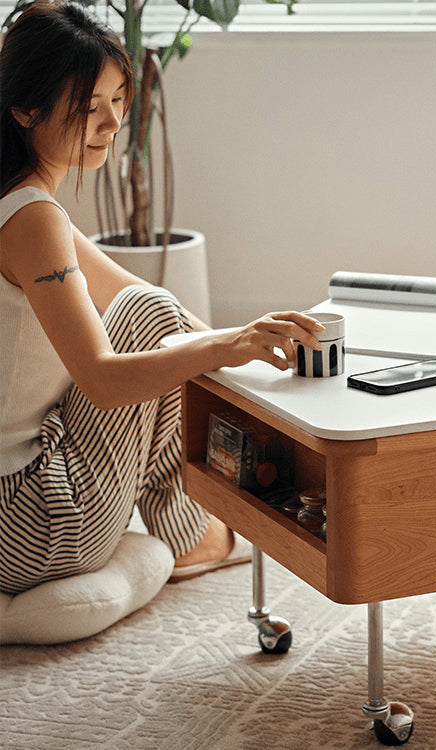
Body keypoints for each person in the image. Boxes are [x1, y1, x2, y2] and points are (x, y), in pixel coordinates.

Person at [0, 0, 324, 596]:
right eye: (87, 107)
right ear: (25, 109)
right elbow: (101, 378)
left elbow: (143, 297)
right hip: (29, 525)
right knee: (147, 317)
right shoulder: (34, 219)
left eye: (117, 99)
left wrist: (249, 351)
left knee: (150, 307)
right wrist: (231, 345)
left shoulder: (19, 206)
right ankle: (188, 532)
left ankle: (212, 501)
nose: (112, 122)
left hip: (14, 512)